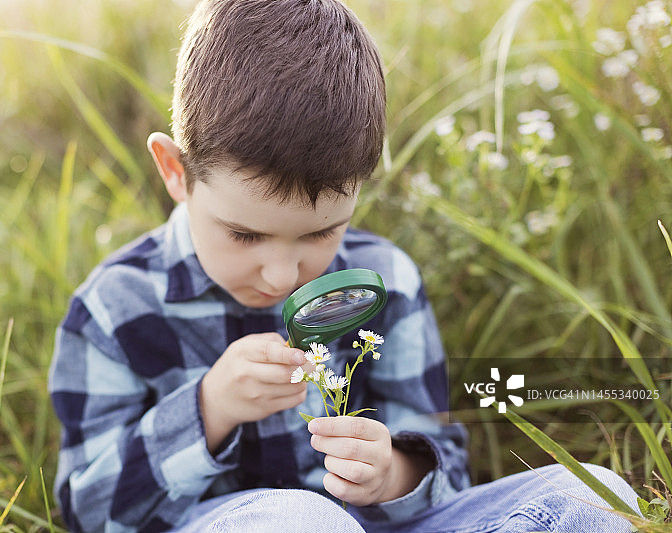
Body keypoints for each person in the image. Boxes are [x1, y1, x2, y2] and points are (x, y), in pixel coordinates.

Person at [48, 0, 640, 531]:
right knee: (298, 519)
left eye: (321, 232)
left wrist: (393, 473)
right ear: (176, 172)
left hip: (385, 526)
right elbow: (87, 510)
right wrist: (207, 410)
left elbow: (444, 465)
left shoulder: (389, 279)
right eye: (244, 233)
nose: (282, 276)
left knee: (593, 498)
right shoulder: (116, 306)